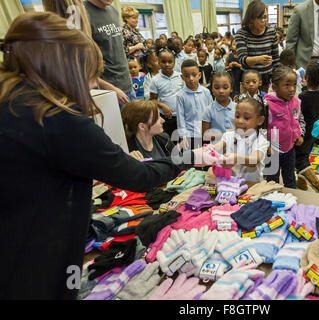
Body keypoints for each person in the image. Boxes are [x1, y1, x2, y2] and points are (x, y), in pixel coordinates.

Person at [0, 11, 215, 300]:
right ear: (64, 68)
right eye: (90, 77)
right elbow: (139, 176)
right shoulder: (58, 119)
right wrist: (191, 157)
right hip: (38, 258)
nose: (93, 86)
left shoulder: (11, 101)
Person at [43, 0, 130, 106]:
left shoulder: (113, 11)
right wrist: (107, 87)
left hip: (127, 84)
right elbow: (78, 59)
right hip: (106, 89)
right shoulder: (79, 13)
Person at [84, 0, 138, 106]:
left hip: (128, 86)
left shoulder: (113, 11)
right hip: (108, 91)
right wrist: (109, 88)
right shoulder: (83, 13)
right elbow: (81, 63)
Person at [210, 97, 270, 182]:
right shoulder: (229, 135)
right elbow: (217, 147)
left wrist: (236, 158)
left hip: (252, 185)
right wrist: (210, 149)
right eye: (237, 116)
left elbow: (254, 160)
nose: (240, 121)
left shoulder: (260, 140)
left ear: (260, 120)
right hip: (231, 182)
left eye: (246, 118)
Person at [264, 66, 305, 189]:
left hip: (290, 147)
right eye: (286, 85)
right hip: (272, 149)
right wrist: (266, 145)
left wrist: (300, 134)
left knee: (290, 179)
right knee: (271, 182)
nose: (292, 89)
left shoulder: (296, 101)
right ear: (275, 87)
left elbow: (300, 119)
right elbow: (260, 127)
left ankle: (292, 202)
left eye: (294, 84)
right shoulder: (267, 104)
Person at [295, 59, 319, 193]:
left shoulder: (303, 96)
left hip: (303, 130)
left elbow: (299, 111)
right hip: (314, 129)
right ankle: (301, 183)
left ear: (307, 77)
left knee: (300, 158)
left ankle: (317, 184)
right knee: (305, 153)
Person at [235, 0, 280, 93]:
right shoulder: (241, 33)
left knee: (262, 104)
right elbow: (242, 59)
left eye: (265, 17)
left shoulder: (271, 32)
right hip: (248, 80)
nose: (263, 21)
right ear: (251, 19)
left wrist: (277, 79)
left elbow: (275, 59)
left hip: (265, 79)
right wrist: (258, 59)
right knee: (247, 105)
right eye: (259, 18)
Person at [149, 43, 185, 138]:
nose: (167, 64)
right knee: (169, 140)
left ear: (174, 62)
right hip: (166, 118)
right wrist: (163, 105)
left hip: (181, 116)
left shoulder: (180, 76)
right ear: (159, 62)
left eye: (170, 62)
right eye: (163, 62)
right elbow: (152, 100)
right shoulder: (155, 80)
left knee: (182, 140)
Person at [176, 59, 213, 150]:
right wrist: (183, 136)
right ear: (182, 77)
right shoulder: (181, 96)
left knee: (207, 159)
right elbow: (181, 118)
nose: (191, 78)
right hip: (190, 135)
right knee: (193, 160)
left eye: (194, 75)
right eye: (186, 76)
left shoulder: (206, 92)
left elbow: (212, 112)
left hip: (205, 133)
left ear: (199, 75)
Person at [202, 72, 237, 142]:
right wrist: (225, 135)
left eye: (225, 87)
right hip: (216, 150)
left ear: (231, 89)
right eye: (217, 87)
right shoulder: (208, 110)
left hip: (235, 148)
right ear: (212, 89)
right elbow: (205, 135)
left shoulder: (238, 108)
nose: (221, 91)